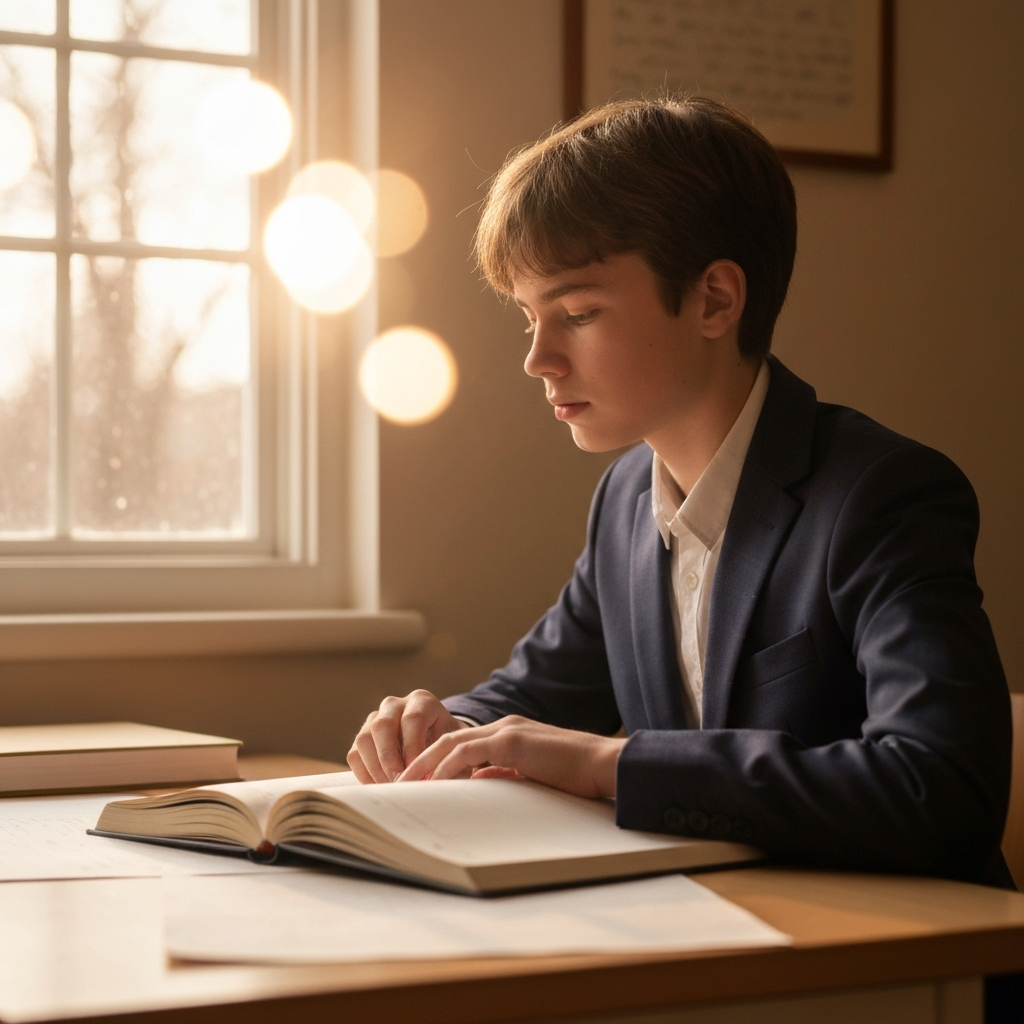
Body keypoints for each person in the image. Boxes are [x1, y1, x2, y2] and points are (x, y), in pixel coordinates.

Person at [347, 97, 1013, 888]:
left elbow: (941, 791)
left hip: (910, 959)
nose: (538, 358)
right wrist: (443, 724)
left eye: (579, 312)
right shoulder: (627, 499)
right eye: (529, 318)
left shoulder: (883, 494)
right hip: (719, 929)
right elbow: (537, 697)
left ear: (715, 301)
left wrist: (611, 764)